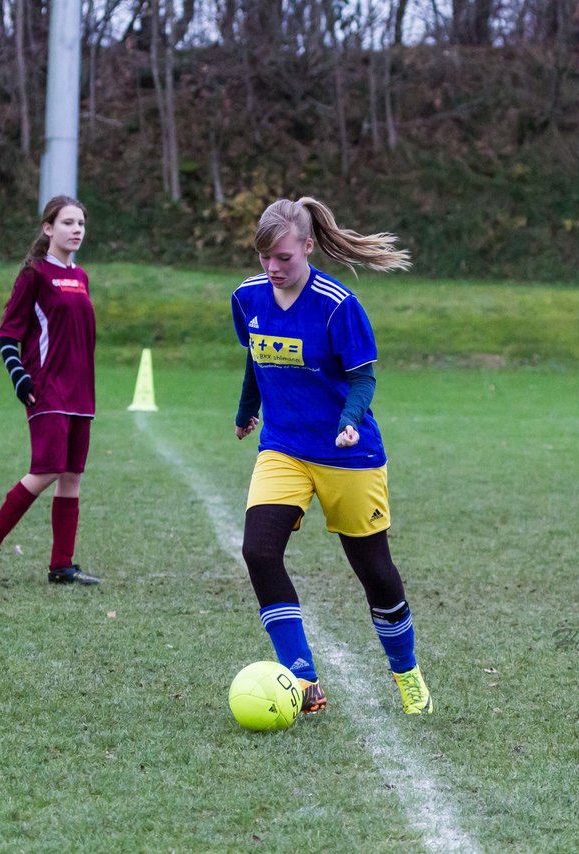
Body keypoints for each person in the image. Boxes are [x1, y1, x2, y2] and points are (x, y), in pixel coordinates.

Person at [230, 197, 432, 715]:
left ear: (308, 247)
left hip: (349, 454)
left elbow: (363, 377)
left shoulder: (338, 304)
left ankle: (408, 676)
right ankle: (303, 678)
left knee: (374, 571)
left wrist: (348, 420)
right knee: (258, 551)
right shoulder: (247, 298)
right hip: (284, 448)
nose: (273, 269)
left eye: (284, 258)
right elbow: (256, 355)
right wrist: (247, 408)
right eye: (264, 258)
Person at [0, 195, 101, 586]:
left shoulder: (81, 277)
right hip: (46, 390)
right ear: (48, 229)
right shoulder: (34, 275)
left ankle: (62, 565)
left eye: (81, 224)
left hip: (81, 393)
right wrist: (20, 377)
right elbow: (8, 333)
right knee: (45, 470)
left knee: (72, 475)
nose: (76, 230)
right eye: (67, 223)